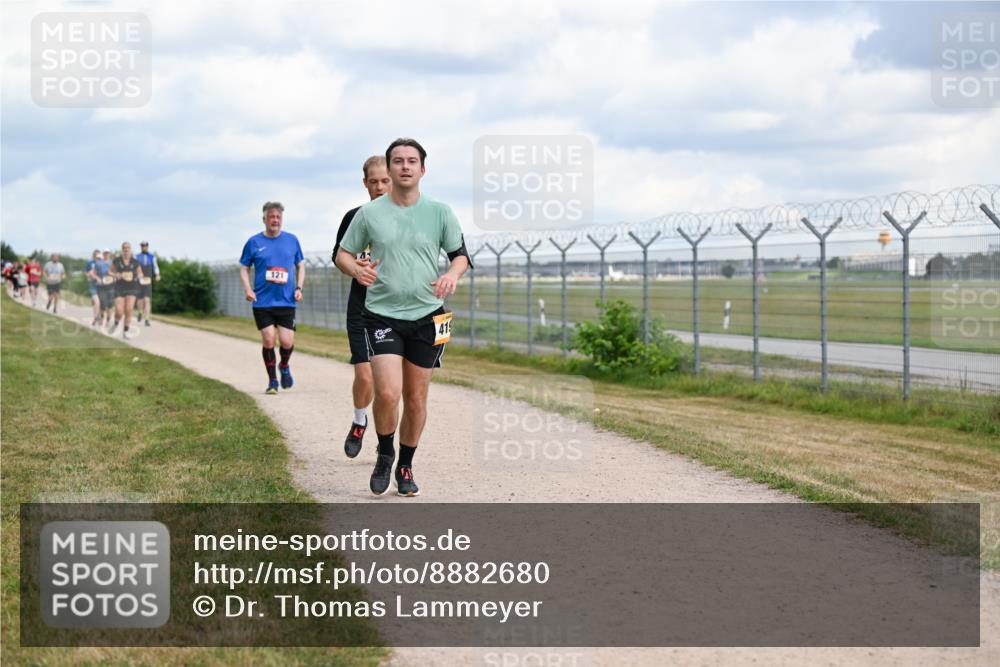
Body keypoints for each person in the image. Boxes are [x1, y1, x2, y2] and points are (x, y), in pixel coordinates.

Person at [336, 138, 472, 497]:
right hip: (381, 314)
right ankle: (384, 452)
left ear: (422, 170)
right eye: (398, 161)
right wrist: (356, 270)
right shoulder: (369, 214)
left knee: (416, 398)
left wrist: (452, 274)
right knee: (387, 392)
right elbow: (342, 254)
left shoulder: (440, 212)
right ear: (390, 168)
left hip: (428, 316)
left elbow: (460, 255)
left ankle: (406, 464)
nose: (405, 166)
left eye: (412, 161)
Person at [333, 155, 392, 458]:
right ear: (365, 183)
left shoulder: (408, 217)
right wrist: (355, 268)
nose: (380, 188)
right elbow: (339, 256)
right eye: (374, 182)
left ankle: (387, 447)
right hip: (361, 309)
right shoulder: (355, 217)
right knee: (366, 376)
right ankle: (359, 421)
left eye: (385, 181)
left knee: (387, 385)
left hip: (395, 312)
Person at [239, 201, 304, 395]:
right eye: (271, 217)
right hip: (263, 302)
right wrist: (248, 289)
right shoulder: (254, 242)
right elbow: (244, 268)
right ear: (264, 219)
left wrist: (299, 287)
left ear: (281, 219)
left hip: (286, 301)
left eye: (278, 217)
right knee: (268, 340)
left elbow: (301, 265)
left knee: (286, 341)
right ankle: (272, 381)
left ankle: (284, 366)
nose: (275, 220)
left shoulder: (292, 240)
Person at [110, 242, 144, 338]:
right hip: (119, 288)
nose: (126, 249)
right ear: (122, 249)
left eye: (128, 247)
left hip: (132, 288)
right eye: (124, 248)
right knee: (119, 311)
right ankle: (116, 323)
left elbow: (140, 273)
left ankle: (125, 332)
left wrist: (139, 276)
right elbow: (110, 271)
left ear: (130, 249)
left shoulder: (135, 262)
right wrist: (115, 275)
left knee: (129, 310)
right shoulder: (117, 261)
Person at [135, 241, 161, 326]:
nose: (144, 247)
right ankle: (139, 312)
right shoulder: (137, 257)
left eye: (145, 246)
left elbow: (156, 267)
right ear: (141, 247)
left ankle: (147, 319)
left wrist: (157, 275)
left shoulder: (152, 257)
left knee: (147, 300)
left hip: (148, 280)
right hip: (139, 280)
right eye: (142, 246)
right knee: (139, 300)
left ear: (147, 246)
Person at [85, 249, 102, 324]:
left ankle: (97, 316)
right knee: (96, 301)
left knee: (98, 302)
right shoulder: (90, 263)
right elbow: (87, 272)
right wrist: (89, 276)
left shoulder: (103, 262)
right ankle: (96, 316)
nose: (97, 256)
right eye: (95, 254)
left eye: (98, 254)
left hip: (102, 285)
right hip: (93, 284)